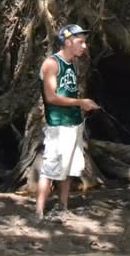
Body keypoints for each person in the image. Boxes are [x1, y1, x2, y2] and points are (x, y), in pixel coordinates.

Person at [36, 23, 99, 220]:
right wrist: (81, 102)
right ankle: (39, 212)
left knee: (69, 167)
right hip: (58, 125)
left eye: (85, 43)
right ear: (68, 41)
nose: (84, 46)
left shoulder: (72, 64)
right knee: (50, 169)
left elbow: (67, 92)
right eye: (80, 42)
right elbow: (51, 97)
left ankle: (63, 207)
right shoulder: (52, 64)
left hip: (74, 123)